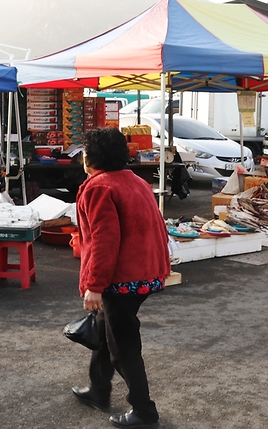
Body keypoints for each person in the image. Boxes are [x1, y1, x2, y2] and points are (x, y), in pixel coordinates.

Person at [71, 128, 169, 429]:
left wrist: (94, 287)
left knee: (122, 347)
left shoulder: (98, 187)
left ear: (90, 157)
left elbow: (104, 242)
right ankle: (98, 390)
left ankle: (144, 410)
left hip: (121, 279)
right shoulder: (135, 180)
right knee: (103, 331)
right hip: (146, 272)